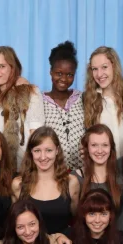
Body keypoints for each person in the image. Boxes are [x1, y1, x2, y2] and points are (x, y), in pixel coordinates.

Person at [0, 46, 45, 169]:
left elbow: (36, 134)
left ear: (12, 68)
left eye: (2, 66)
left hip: (27, 166)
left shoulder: (30, 92)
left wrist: (32, 167)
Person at [12, 126, 80, 234]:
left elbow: (76, 220)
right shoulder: (18, 184)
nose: (43, 157)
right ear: (31, 152)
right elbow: (14, 224)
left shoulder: (71, 183)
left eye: (48, 150)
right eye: (37, 150)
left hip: (64, 242)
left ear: (57, 150)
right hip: (31, 243)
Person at [83, 46, 123, 157]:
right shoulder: (88, 98)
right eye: (94, 69)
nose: (99, 74)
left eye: (104, 67)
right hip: (102, 164)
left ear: (114, 66)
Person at [74, 124, 123, 232]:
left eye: (105, 145)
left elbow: (122, 220)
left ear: (111, 148)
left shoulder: (118, 178)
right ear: (86, 148)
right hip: (83, 239)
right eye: (94, 145)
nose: (100, 151)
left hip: (114, 239)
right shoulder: (75, 179)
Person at [43, 41, 84, 171]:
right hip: (52, 171)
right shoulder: (39, 101)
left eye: (69, 75)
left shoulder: (82, 98)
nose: (64, 79)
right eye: (59, 73)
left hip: (82, 171)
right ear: (51, 72)